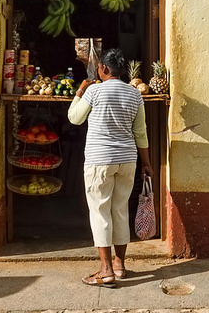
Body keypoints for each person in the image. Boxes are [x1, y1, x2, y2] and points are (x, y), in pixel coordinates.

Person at [68, 48, 153, 287]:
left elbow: (74, 118)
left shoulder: (94, 91)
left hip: (100, 161)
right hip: (127, 160)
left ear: (104, 68)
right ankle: (119, 265)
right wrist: (146, 163)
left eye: (99, 67)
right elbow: (141, 132)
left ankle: (105, 271)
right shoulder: (134, 94)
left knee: (100, 211)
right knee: (120, 210)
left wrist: (80, 91)